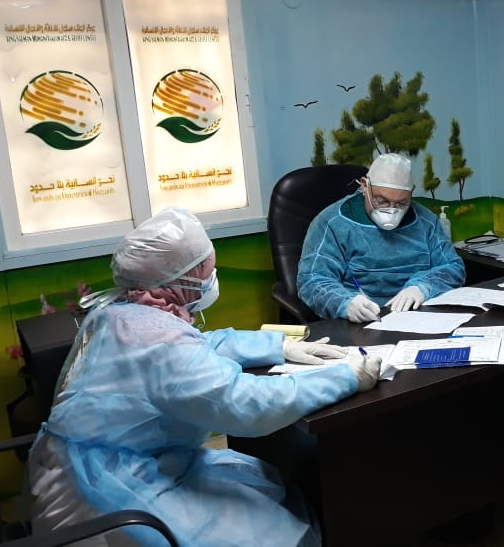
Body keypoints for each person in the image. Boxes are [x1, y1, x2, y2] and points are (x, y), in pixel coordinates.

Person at [28, 206, 383, 547]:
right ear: (175, 279)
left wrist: (278, 346)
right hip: (101, 494)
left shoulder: (122, 311)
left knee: (262, 488)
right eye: (205, 271)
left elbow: (202, 344)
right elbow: (244, 404)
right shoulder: (156, 339)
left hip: (107, 461)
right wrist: (343, 378)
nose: (212, 279)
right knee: (269, 528)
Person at [297, 152, 465, 323]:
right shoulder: (333, 222)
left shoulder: (425, 221)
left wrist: (422, 287)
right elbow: (312, 280)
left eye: (401, 203)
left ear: (411, 192)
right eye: (382, 201)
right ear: (364, 186)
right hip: (361, 322)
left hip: (417, 317)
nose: (391, 210)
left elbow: (453, 267)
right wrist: (344, 303)